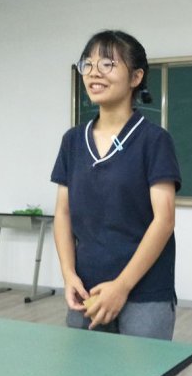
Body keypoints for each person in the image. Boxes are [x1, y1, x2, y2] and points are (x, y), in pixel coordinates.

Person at [51, 30, 181, 343]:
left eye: (108, 64)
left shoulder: (154, 140)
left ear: (136, 77)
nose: (94, 72)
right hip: (86, 290)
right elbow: (63, 214)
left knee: (144, 375)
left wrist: (121, 287)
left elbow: (164, 221)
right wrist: (68, 274)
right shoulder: (72, 141)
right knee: (84, 373)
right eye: (88, 64)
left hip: (144, 292)